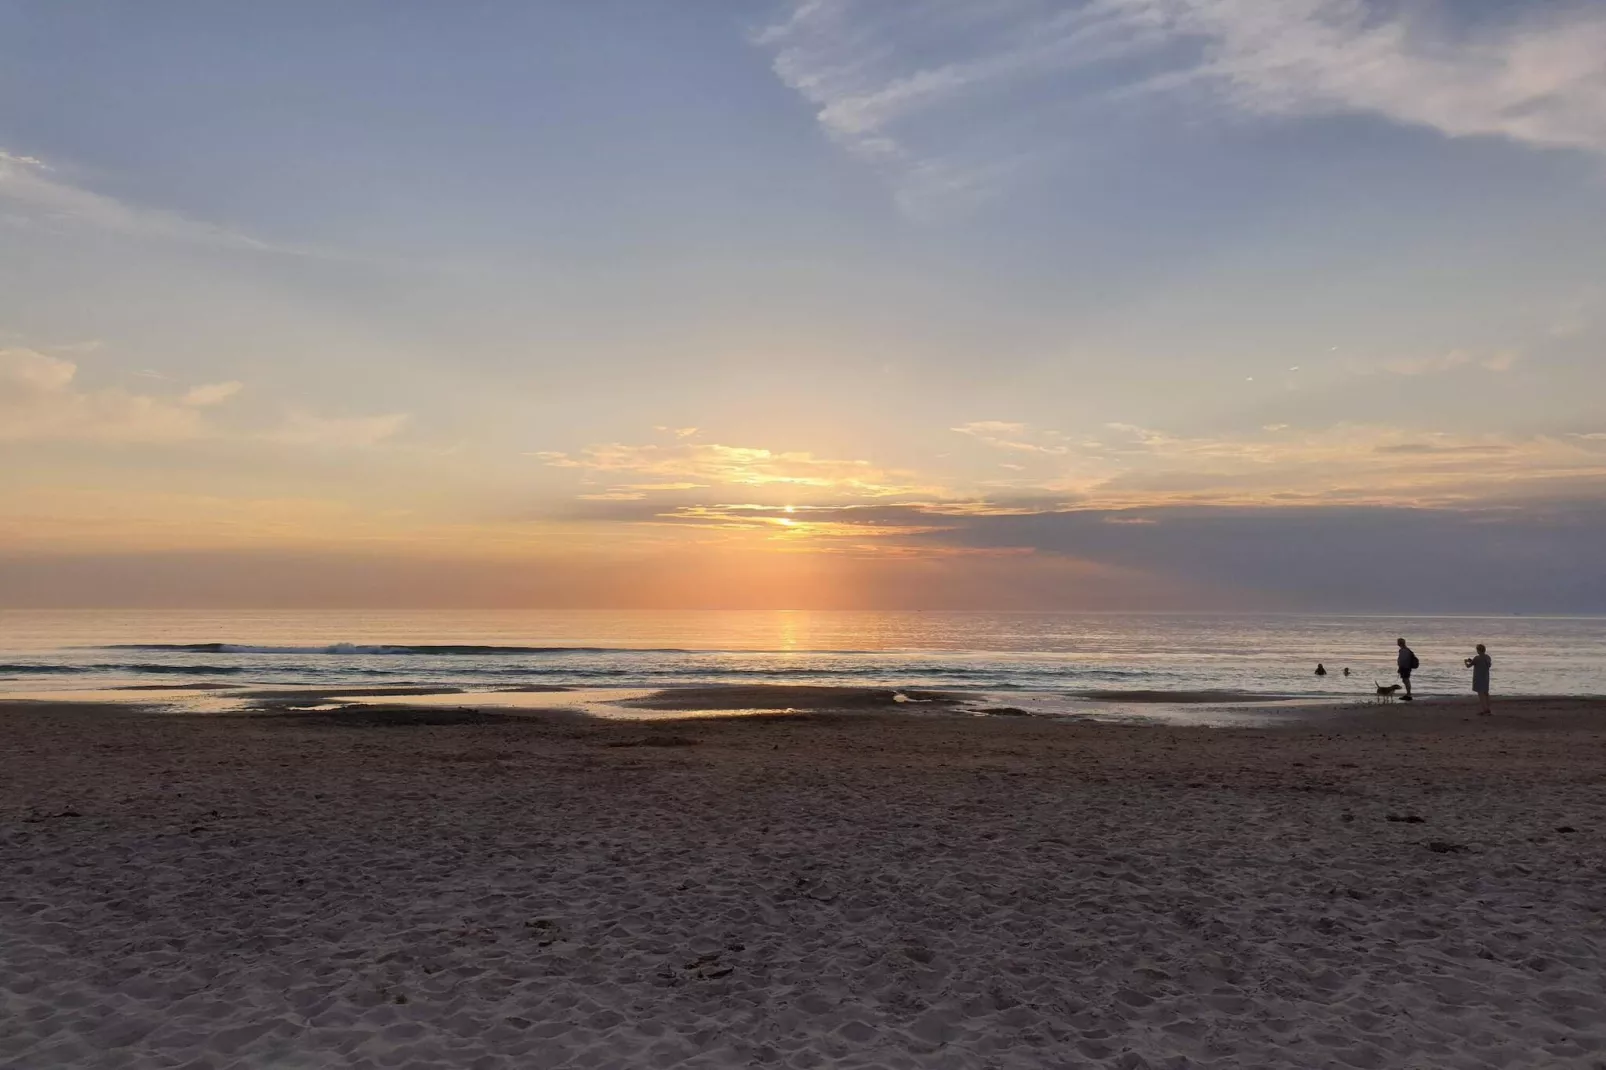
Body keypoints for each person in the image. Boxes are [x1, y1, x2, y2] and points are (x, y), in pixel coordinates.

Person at [1466, 644, 1492, 715]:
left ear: (1478, 650)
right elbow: (1486, 664)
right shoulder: (1487, 657)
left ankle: (1484, 710)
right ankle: (1488, 708)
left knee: (1480, 694)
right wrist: (1472, 661)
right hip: (1486, 677)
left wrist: (1466, 662)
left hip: (1478, 677)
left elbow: (1469, 666)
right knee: (1486, 693)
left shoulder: (1477, 658)